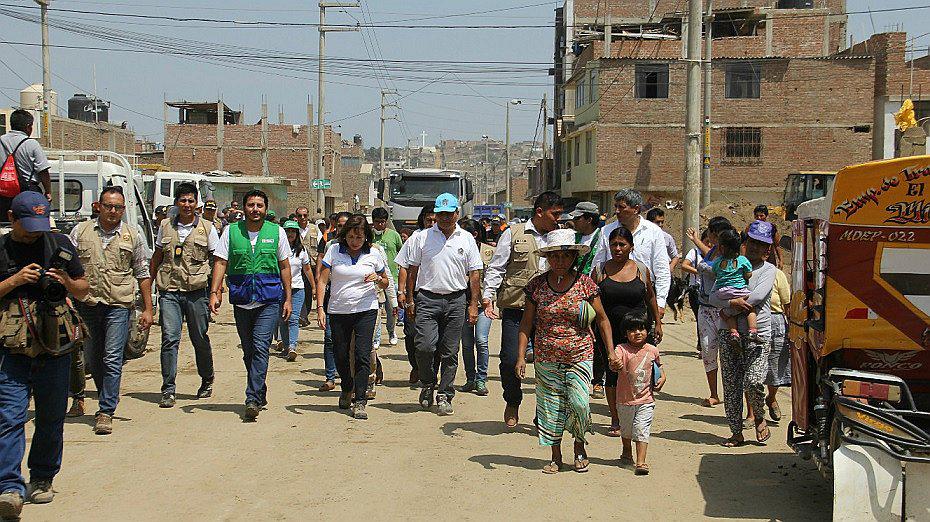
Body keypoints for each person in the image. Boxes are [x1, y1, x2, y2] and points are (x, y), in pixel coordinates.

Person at [0, 191, 89, 516]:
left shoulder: (59, 244)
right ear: (12, 218)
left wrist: (64, 280)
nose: (36, 232)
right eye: (29, 225)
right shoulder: (3, 247)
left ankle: (42, 478)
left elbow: (83, 288)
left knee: (51, 417)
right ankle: (10, 486)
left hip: (55, 344)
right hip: (13, 349)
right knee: (9, 416)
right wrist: (14, 281)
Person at [515, 228, 614, 473]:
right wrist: (520, 357)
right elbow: (526, 323)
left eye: (565, 256)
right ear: (548, 258)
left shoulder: (585, 284)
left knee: (580, 404)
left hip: (580, 354)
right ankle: (555, 455)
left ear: (573, 257)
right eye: (555, 256)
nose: (560, 261)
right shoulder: (536, 285)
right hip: (546, 356)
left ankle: (580, 446)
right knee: (550, 407)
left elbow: (602, 319)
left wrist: (610, 351)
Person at [70, 186, 154, 435]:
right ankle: (105, 394)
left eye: (118, 207)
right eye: (108, 206)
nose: (113, 211)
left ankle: (106, 410)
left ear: (123, 210)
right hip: (88, 304)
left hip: (119, 303)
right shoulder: (80, 232)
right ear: (98, 206)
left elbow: (142, 272)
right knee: (94, 358)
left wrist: (148, 309)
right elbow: (68, 268)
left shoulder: (132, 235)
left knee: (112, 356)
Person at [210, 190, 292, 420]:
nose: (255, 209)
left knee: (260, 347)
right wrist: (214, 292)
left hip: (269, 300)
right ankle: (260, 388)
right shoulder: (231, 231)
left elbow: (285, 266)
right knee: (248, 352)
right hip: (242, 300)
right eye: (251, 205)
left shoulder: (277, 232)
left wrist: (287, 298)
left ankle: (252, 398)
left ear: (266, 209)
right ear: (243, 208)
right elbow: (221, 262)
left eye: (259, 206)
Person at [483, 191, 563, 428]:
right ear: (540, 212)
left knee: (547, 364)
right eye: (554, 214)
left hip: (549, 310)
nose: (558, 219)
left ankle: (543, 412)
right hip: (516, 307)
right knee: (509, 360)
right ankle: (513, 400)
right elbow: (497, 268)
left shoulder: (560, 237)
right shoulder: (513, 233)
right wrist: (488, 296)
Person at [405, 194, 481, 415]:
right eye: (441, 214)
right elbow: (413, 270)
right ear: (435, 215)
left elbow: (474, 273)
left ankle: (445, 393)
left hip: (456, 300)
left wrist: (473, 304)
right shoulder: (422, 237)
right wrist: (410, 298)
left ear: (457, 214)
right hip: (427, 299)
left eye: (449, 214)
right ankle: (428, 383)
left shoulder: (466, 238)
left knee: (449, 351)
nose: (445, 218)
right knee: (425, 346)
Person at [150, 183, 218, 408]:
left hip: (196, 292)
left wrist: (215, 292)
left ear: (196, 203)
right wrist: (147, 286)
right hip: (169, 290)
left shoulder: (208, 228)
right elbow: (157, 256)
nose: (187, 205)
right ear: (177, 203)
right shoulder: (165, 226)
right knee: (170, 338)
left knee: (199, 337)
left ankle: (207, 379)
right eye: (183, 201)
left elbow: (217, 260)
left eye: (191, 201)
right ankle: (168, 388)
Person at [315, 215, 389, 420]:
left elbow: (385, 282)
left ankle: (360, 400)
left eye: (359, 237)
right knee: (340, 354)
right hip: (338, 310)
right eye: (350, 237)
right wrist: (320, 307)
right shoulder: (334, 251)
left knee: (362, 355)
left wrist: (379, 280)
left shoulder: (373, 254)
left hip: (366, 309)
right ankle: (347, 386)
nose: (355, 241)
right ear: (344, 236)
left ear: (366, 237)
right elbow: (322, 281)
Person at [709, 220, 776, 447]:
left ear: (768, 249)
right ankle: (736, 432)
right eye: (754, 243)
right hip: (728, 333)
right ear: (745, 243)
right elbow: (712, 296)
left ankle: (758, 415)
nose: (757, 248)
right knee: (731, 383)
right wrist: (731, 302)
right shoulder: (727, 264)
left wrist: (730, 305)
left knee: (754, 380)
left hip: (757, 333)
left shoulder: (769, 270)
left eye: (763, 245)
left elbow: (757, 297)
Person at [595, 225, 663, 435]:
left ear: (630, 247)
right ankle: (616, 418)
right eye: (614, 244)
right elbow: (592, 303)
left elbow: (650, 296)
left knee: (639, 374)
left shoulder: (642, 270)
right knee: (613, 373)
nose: (617, 248)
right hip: (609, 331)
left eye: (622, 244)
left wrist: (658, 323)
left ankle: (637, 415)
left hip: (638, 333)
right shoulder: (600, 271)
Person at [593, 189, 671, 320]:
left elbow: (662, 268)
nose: (617, 211)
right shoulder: (606, 231)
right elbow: (597, 265)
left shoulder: (653, 232)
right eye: (616, 206)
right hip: (611, 298)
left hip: (643, 298)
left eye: (621, 207)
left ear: (636, 209)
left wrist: (660, 302)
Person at [614, 313, 666, 476]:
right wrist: (614, 363)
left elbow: (659, 368)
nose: (637, 332)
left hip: (646, 400)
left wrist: (663, 378)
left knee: (641, 429)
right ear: (625, 333)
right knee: (626, 429)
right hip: (624, 400)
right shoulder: (621, 349)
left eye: (641, 329)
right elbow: (614, 363)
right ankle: (626, 450)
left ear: (647, 331)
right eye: (632, 329)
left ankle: (641, 462)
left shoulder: (652, 350)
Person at [690, 217, 733, 408]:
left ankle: (731, 393)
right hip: (705, 308)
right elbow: (709, 255)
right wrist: (696, 241)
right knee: (708, 350)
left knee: (728, 354)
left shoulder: (732, 255)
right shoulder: (714, 250)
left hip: (723, 310)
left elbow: (717, 269)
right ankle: (714, 393)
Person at [691, 228, 759, 346]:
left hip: (722, 293)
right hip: (740, 292)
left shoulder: (718, 262)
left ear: (721, 248)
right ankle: (753, 330)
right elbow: (748, 274)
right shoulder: (743, 260)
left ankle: (733, 333)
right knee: (750, 309)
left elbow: (716, 273)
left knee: (725, 313)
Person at [395, 205, 436, 384]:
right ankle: (416, 366)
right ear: (423, 220)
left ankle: (430, 370)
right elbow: (404, 266)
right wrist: (401, 291)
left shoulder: (445, 238)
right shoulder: (414, 239)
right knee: (411, 333)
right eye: (429, 220)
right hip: (414, 294)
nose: (432, 223)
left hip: (435, 294)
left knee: (435, 338)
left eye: (435, 220)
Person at [315, 211, 351, 392]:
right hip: (332, 296)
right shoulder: (330, 245)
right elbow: (322, 273)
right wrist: (319, 302)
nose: (342, 229)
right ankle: (330, 376)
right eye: (340, 225)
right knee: (330, 338)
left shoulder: (363, 246)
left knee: (354, 343)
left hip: (355, 301)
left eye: (346, 225)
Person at [458, 219, 494, 396]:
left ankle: (481, 379)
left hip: (484, 304)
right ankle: (470, 378)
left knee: (481, 340)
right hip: (462, 303)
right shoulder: (458, 250)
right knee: (466, 343)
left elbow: (495, 277)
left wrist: (490, 300)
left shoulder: (489, 252)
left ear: (475, 234)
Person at [0, 110, 51, 218]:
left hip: (3, 191)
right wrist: (48, 191)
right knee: (29, 223)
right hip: (27, 191)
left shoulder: (0, 141)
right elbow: (43, 171)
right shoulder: (32, 144)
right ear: (28, 126)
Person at [278, 220, 316, 361]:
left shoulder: (301, 250)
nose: (290, 234)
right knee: (283, 319)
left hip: (298, 288)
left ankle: (292, 347)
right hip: (280, 289)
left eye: (293, 231)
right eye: (287, 231)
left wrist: (313, 286)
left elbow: (307, 269)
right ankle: (286, 346)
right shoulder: (277, 248)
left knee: (293, 319)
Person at [764, 263, 792, 422]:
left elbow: (786, 304)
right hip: (752, 319)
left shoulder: (778, 274)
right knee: (752, 369)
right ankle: (752, 413)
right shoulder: (743, 271)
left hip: (776, 321)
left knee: (776, 366)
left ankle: (772, 398)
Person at [371, 207, 402, 346]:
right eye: (377, 222)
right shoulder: (368, 236)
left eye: (383, 222)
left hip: (392, 278)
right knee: (377, 310)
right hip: (374, 282)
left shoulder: (394, 235)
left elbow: (401, 254)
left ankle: (391, 331)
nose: (380, 225)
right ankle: (376, 338)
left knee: (391, 310)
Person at [681, 229, 708, 349]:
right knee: (700, 318)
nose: (709, 245)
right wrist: (699, 272)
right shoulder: (694, 252)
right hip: (696, 291)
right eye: (706, 242)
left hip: (710, 292)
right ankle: (702, 344)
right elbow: (684, 265)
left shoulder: (714, 254)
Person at [295, 207, 318, 326]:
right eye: (300, 216)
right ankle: (301, 316)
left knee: (309, 291)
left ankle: (305, 314)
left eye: (305, 215)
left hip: (312, 265)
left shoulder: (315, 229)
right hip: (297, 265)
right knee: (299, 290)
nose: (302, 218)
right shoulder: (293, 229)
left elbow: (320, 249)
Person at [568, 201, 602, 276]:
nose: (573, 220)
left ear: (589, 220)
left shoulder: (602, 238)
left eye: (577, 218)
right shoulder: (573, 237)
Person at [645, 207, 680, 273]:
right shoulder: (642, 237)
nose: (660, 225)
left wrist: (671, 267)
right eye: (658, 222)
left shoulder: (667, 237)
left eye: (662, 222)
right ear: (649, 222)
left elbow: (675, 256)